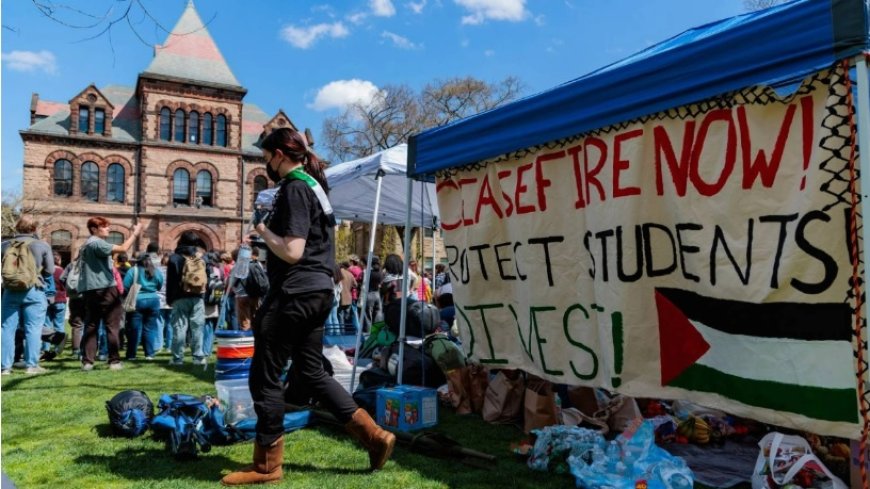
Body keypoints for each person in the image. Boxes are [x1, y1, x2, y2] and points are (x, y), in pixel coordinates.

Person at [221, 127, 395, 485]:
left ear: (280, 156)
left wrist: (262, 232)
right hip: (316, 293)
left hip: (293, 293)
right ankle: (375, 436)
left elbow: (293, 250)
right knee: (312, 371)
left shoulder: (295, 188)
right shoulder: (315, 187)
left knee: (265, 377)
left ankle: (267, 466)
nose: (264, 163)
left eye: (266, 157)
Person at [78, 216, 142, 371]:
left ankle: (88, 362)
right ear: (94, 229)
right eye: (104, 226)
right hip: (105, 288)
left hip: (89, 289)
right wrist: (135, 233)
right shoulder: (96, 243)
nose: (108, 229)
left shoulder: (86, 245)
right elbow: (122, 249)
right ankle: (114, 361)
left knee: (92, 325)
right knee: (112, 325)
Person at [1, 216, 55, 374]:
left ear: (17, 227)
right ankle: (31, 365)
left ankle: (5, 367)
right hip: (33, 289)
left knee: (6, 328)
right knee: (33, 328)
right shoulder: (41, 245)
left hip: (10, 290)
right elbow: (50, 271)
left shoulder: (4, 245)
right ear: (34, 228)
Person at [166, 231, 207, 366]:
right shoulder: (201, 257)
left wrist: (169, 298)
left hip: (179, 296)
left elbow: (170, 281)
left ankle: (178, 358)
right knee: (197, 327)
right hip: (198, 296)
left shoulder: (174, 258)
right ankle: (198, 357)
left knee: (179, 327)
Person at [123, 254, 164, 360]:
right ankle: (149, 354)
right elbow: (160, 285)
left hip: (137, 300)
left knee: (134, 329)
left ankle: (131, 355)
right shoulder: (156, 271)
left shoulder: (133, 271)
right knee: (150, 328)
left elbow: (125, 285)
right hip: (153, 300)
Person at [42, 252, 67, 360]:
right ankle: (58, 348)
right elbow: (65, 286)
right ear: (59, 260)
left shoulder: (45, 271)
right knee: (59, 324)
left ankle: (45, 348)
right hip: (60, 299)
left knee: (46, 325)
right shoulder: (62, 271)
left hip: (47, 300)